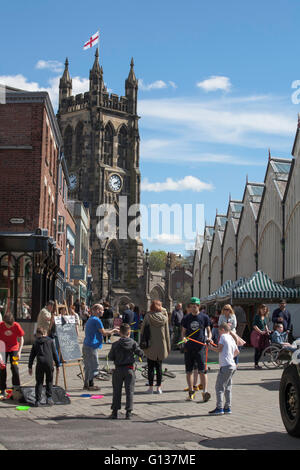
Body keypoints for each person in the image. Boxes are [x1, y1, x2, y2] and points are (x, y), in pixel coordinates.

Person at [108, 323, 143, 420]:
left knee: (116, 391)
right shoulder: (133, 343)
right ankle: (128, 412)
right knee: (129, 391)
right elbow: (140, 353)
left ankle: (115, 412)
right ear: (129, 333)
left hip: (118, 369)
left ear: (120, 333)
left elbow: (110, 357)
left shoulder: (115, 344)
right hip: (129, 369)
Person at [83, 304, 119, 391]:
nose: (103, 312)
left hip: (87, 344)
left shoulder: (90, 319)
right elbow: (104, 333)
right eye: (101, 310)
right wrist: (114, 331)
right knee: (94, 365)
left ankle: (87, 384)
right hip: (92, 345)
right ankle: (90, 384)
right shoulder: (96, 320)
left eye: (102, 310)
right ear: (96, 310)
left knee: (88, 366)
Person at [181, 297, 212, 402]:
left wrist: (209, 338)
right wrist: (184, 339)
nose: (193, 308)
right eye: (192, 306)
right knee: (189, 371)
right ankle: (191, 392)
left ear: (199, 306)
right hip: (189, 348)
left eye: (195, 306)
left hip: (200, 348)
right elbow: (183, 332)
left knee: (202, 371)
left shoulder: (205, 317)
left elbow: (209, 331)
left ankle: (205, 392)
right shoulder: (186, 318)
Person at [207, 322, 239, 415]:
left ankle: (219, 408)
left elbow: (219, 349)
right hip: (232, 365)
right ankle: (227, 407)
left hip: (225, 365)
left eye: (219, 331)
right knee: (228, 387)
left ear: (223, 330)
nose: (219, 333)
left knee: (219, 387)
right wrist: (229, 356)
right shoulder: (231, 338)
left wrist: (210, 347)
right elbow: (237, 352)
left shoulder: (223, 336)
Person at [140, 300, 170, 394]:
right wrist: (168, 346)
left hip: (150, 345)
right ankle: (159, 388)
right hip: (161, 345)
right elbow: (167, 333)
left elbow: (142, 331)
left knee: (150, 367)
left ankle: (150, 388)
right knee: (159, 367)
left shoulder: (148, 316)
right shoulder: (164, 318)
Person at [28, 327, 60, 406]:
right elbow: (55, 353)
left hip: (40, 363)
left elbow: (32, 356)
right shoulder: (50, 341)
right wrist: (58, 364)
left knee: (39, 382)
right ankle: (49, 398)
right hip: (49, 363)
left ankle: (37, 400)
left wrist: (30, 366)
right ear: (45, 334)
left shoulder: (36, 343)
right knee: (49, 380)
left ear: (38, 334)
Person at [0, 313, 25, 396]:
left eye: (10, 325)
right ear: (4, 322)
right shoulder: (1, 325)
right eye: (7, 325)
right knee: (2, 367)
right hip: (2, 348)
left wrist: (19, 351)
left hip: (14, 348)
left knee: (14, 366)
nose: (9, 327)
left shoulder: (16, 325)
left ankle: (16, 386)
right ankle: (2, 388)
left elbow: (21, 338)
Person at [252, 304, 270, 370]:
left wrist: (267, 331)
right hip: (257, 334)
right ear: (260, 309)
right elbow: (254, 325)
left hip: (263, 334)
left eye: (265, 309)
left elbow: (265, 325)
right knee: (257, 350)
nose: (264, 310)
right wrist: (260, 331)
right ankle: (256, 364)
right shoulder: (257, 316)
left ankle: (257, 363)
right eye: (263, 309)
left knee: (261, 349)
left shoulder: (264, 317)